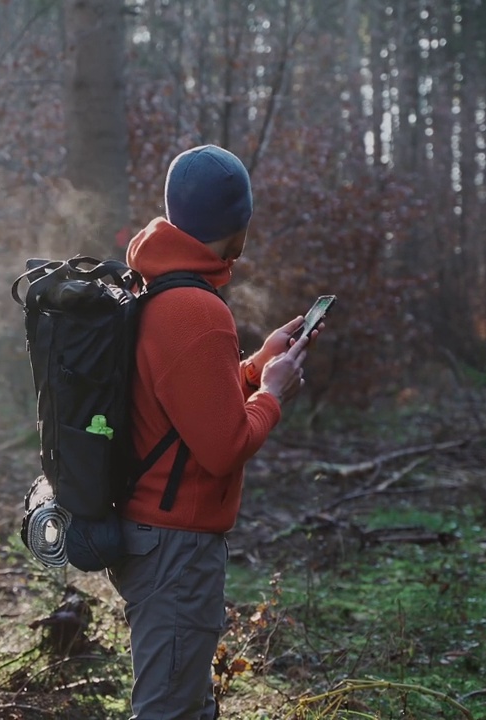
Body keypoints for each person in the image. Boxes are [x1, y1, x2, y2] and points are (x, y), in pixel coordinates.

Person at [108, 144, 314, 720]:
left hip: (154, 534)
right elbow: (223, 447)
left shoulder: (161, 288)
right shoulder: (198, 312)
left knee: (188, 704)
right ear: (237, 226)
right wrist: (272, 393)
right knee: (169, 711)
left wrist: (254, 366)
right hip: (176, 546)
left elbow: (183, 404)